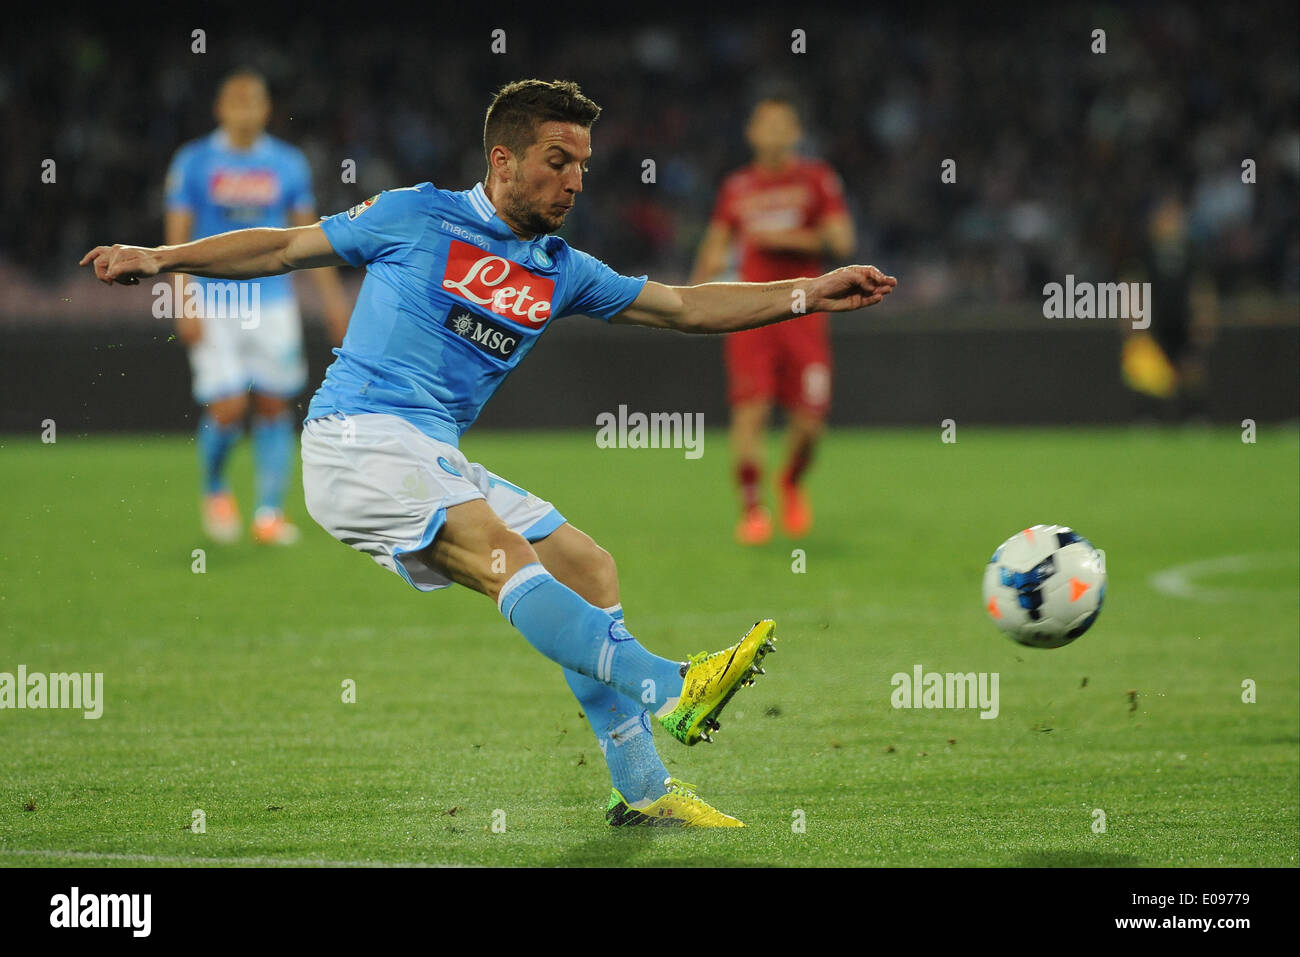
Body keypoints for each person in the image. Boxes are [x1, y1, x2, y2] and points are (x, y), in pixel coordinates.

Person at [82, 78, 896, 827]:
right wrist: (162, 259)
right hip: (358, 439)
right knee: (506, 557)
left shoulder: (561, 268)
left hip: (430, 450)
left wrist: (809, 292)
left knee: (587, 565)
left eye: (582, 163)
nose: (575, 181)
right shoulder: (414, 215)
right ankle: (673, 686)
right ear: (502, 160)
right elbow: (283, 248)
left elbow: (682, 305)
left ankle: (642, 788)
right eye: (556, 161)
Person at [164, 67, 351, 545]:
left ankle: (268, 513)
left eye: (253, 102)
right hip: (213, 298)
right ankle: (215, 487)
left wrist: (334, 302)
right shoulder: (194, 161)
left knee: (272, 404)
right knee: (228, 407)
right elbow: (177, 240)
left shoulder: (288, 164)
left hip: (273, 302)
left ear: (266, 109)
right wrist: (179, 300)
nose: (245, 110)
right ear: (220, 109)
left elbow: (311, 239)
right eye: (235, 101)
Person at [690, 95, 856, 544]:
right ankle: (752, 508)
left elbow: (841, 241)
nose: (775, 133)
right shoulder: (737, 187)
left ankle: (790, 482)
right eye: (767, 125)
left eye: (784, 125)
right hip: (753, 314)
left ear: (796, 133)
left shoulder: (816, 180)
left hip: (805, 315)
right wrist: (690, 299)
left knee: (810, 423)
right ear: (752, 133)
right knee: (751, 411)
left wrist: (784, 237)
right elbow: (716, 244)